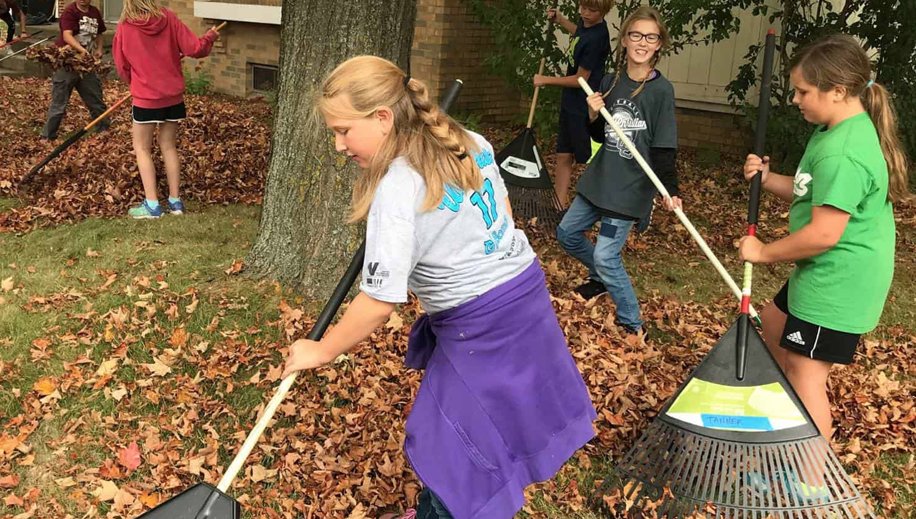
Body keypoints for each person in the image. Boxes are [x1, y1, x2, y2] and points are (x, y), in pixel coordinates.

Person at [281, 56, 597, 519]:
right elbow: (504, 217)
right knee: (464, 441)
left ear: (383, 118)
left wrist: (322, 350)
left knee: (454, 451)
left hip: (484, 327)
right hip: (525, 299)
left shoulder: (397, 187)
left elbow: (379, 301)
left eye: (344, 130)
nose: (338, 145)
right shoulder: (468, 140)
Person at [738, 34, 910, 501]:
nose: (794, 100)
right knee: (771, 329)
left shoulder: (844, 150)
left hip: (838, 279)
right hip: (822, 273)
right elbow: (811, 188)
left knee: (806, 373)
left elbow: (822, 234)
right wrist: (769, 178)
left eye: (802, 92)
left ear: (837, 90)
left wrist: (762, 252)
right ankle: (777, 425)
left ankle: (810, 483)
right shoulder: (835, 129)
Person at [556, 5, 681, 336]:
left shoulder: (660, 91)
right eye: (636, 35)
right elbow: (600, 136)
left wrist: (671, 190)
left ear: (658, 44)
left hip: (630, 189)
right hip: (600, 180)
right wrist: (594, 114)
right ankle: (599, 278)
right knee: (567, 233)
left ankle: (632, 323)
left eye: (650, 37)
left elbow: (664, 146)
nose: (642, 42)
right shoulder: (610, 82)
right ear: (624, 39)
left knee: (607, 255)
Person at [112, 0, 219, 218]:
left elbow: (121, 64)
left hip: (145, 97)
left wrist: (134, 82)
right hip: (172, 97)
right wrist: (209, 37)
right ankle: (175, 201)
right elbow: (195, 48)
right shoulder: (168, 18)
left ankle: (152, 205)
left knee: (142, 148)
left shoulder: (125, 26)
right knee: (168, 146)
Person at [532, 0, 612, 208]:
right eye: (583, 8)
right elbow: (579, 33)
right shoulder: (586, 26)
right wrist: (561, 20)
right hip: (570, 101)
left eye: (592, 10)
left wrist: (545, 80)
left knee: (584, 156)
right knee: (563, 152)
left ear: (603, 11)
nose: (585, 13)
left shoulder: (598, 38)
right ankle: (559, 204)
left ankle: (596, 204)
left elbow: (581, 79)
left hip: (585, 105)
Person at [39, 0, 109, 140]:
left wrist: (99, 48)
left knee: (95, 98)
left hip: (85, 65)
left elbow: (100, 33)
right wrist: (82, 50)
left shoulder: (94, 12)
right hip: (67, 63)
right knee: (59, 102)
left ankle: (103, 129)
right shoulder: (70, 12)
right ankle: (47, 136)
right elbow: (67, 35)